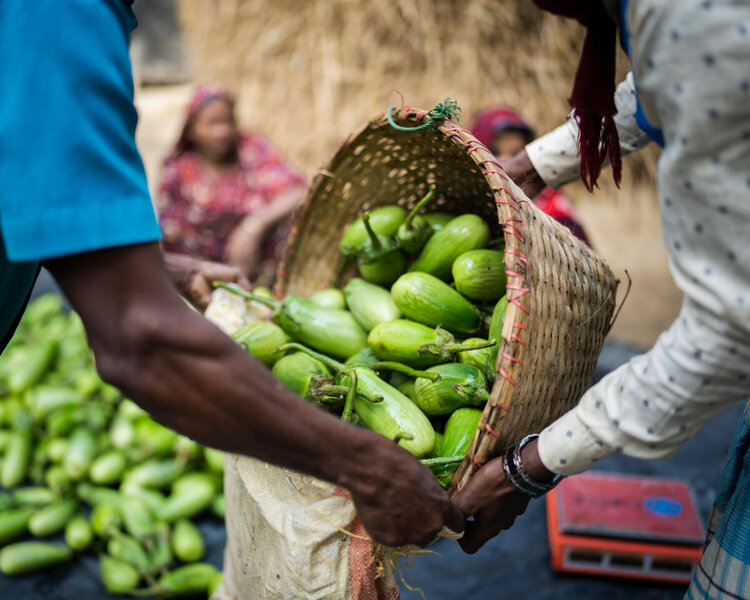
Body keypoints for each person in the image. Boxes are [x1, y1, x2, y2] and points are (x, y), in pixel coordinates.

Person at [0, 0, 462, 549]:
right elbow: (140, 339)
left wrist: (158, 267)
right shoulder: (60, 14)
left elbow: (31, 192)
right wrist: (369, 467)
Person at [453, 3, 750, 598]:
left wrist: (526, 469)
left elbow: (727, 339)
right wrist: (530, 168)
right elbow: (658, 85)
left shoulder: (689, 19)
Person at [157, 84, 306, 286]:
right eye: (212, 123)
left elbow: (297, 190)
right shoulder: (178, 171)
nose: (222, 132)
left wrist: (252, 227)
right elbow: (169, 237)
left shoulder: (251, 150)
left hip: (259, 274)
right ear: (191, 129)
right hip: (200, 278)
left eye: (228, 121)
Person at [470, 107, 591, 245]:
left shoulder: (551, 202)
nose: (507, 164)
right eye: (495, 153)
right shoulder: (464, 202)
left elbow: (578, 249)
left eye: (516, 155)